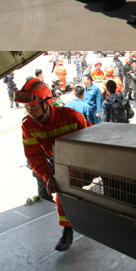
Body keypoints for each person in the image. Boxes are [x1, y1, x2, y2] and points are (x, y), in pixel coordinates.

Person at [18, 77, 91, 251]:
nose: (30, 112)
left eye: (33, 107)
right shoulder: (29, 126)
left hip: (86, 160)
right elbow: (34, 156)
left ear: (46, 103)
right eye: (27, 108)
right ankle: (68, 229)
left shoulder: (72, 117)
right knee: (61, 192)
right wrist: (47, 176)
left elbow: (92, 142)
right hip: (60, 164)